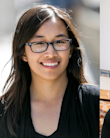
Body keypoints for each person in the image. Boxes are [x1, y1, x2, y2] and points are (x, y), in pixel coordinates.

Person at [0, 4, 99, 138]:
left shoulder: (96, 104)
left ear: (70, 49)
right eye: (39, 43)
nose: (51, 53)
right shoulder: (3, 112)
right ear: (23, 53)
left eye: (59, 42)